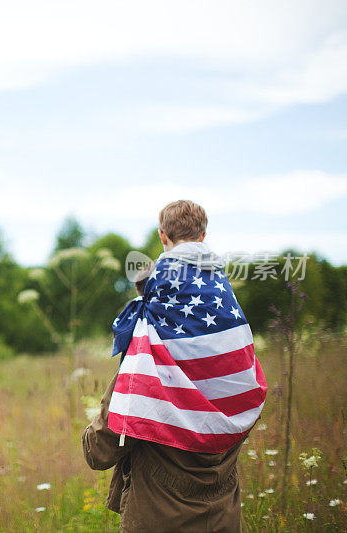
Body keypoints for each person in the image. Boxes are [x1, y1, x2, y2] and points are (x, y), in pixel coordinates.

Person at [82, 200, 266, 533]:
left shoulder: (146, 359)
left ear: (162, 237)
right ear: (204, 235)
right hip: (222, 517)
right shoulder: (232, 347)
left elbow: (100, 453)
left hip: (158, 517)